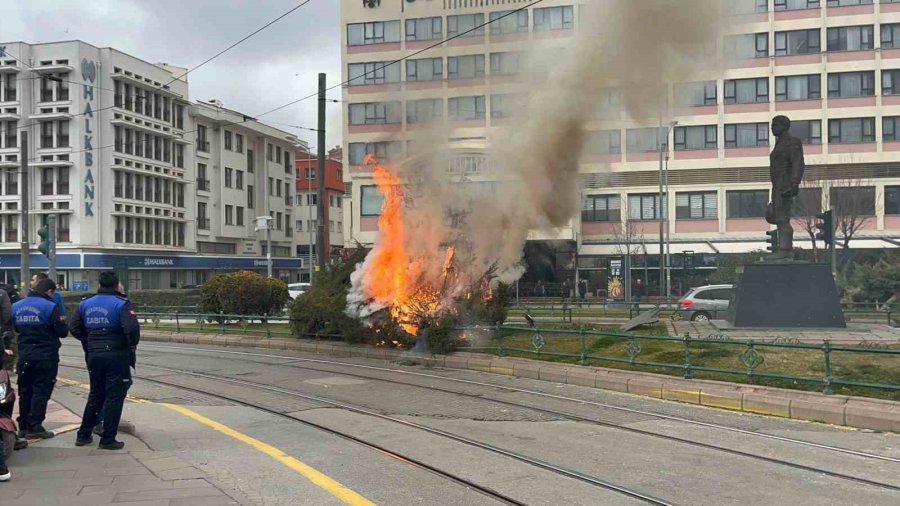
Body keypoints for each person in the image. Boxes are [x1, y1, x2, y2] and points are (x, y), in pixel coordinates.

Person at [71, 271, 140, 450]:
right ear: (117, 285)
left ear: (99, 285)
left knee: (95, 394)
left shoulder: (85, 304)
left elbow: (75, 328)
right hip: (116, 354)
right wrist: (128, 346)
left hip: (94, 354)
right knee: (114, 396)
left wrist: (90, 343)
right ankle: (108, 438)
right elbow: (132, 330)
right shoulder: (122, 304)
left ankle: (83, 434)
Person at [12, 278, 68, 439]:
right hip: (45, 355)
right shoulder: (50, 307)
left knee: (25, 390)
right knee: (41, 390)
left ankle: (23, 425)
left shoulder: (17, 306)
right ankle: (35, 425)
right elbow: (61, 332)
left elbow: (15, 327)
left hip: (25, 354)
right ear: (49, 291)